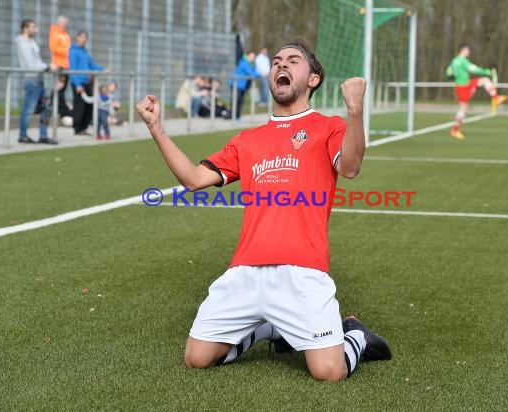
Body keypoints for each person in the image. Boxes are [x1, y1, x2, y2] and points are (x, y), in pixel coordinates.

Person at [136, 38, 392, 381]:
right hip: (245, 272)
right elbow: (194, 180)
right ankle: (270, 328)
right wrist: (157, 127)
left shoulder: (328, 127)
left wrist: (355, 111)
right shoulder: (247, 140)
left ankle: (357, 335)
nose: (281, 65)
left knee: (329, 371)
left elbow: (349, 167)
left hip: (303, 272)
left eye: (293, 61)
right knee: (197, 358)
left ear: (313, 79)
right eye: (276, 61)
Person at [446, 45, 508, 140]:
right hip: (463, 87)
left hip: (464, 85)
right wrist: (486, 72)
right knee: (463, 109)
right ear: (462, 50)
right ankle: (455, 130)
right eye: (467, 49)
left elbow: (448, 74)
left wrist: (456, 76)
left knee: (484, 80)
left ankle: (496, 98)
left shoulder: (454, 61)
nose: (469, 51)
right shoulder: (462, 60)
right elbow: (473, 69)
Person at [14, 19, 58, 144]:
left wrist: (46, 67)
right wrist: (48, 67)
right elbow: (30, 64)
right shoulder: (23, 44)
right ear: (25, 28)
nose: (36, 30)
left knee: (46, 108)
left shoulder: (31, 42)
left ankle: (43, 135)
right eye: (33, 27)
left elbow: (36, 61)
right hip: (32, 81)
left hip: (39, 79)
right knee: (28, 109)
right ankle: (22, 136)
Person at [69, 30, 107, 135]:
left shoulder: (85, 52)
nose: (84, 40)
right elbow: (72, 70)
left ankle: (84, 127)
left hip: (86, 83)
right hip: (78, 83)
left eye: (86, 38)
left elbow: (93, 65)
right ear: (77, 38)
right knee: (79, 106)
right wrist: (77, 85)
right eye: (82, 37)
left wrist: (103, 69)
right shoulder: (73, 51)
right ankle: (77, 129)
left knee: (89, 106)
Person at [48, 15, 73, 121]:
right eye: (62, 22)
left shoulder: (65, 33)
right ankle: (60, 108)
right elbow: (54, 47)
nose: (64, 24)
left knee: (62, 87)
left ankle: (57, 106)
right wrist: (67, 52)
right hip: (59, 64)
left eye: (65, 23)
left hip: (66, 64)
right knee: (59, 86)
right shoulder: (55, 32)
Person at [229, 51, 261, 122]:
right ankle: (234, 117)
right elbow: (251, 73)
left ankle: (237, 117)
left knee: (240, 101)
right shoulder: (243, 62)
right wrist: (261, 73)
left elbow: (253, 71)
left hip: (241, 86)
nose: (253, 58)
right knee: (236, 101)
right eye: (252, 56)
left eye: (254, 57)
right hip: (236, 85)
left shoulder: (250, 64)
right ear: (248, 56)